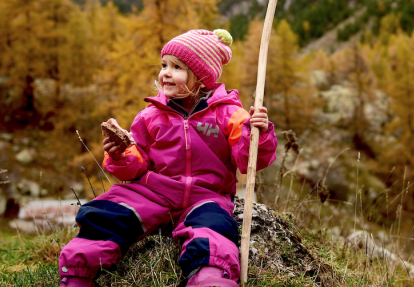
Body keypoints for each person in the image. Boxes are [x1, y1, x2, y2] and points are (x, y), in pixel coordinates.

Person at [58, 29, 277, 287]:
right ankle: (77, 275)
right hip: (153, 191)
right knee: (108, 213)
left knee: (212, 232)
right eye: (164, 65)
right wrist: (121, 154)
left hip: (206, 196)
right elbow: (137, 165)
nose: (165, 73)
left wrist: (257, 136)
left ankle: (210, 279)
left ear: (202, 78)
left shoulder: (230, 114)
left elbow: (249, 161)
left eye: (177, 67)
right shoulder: (150, 115)